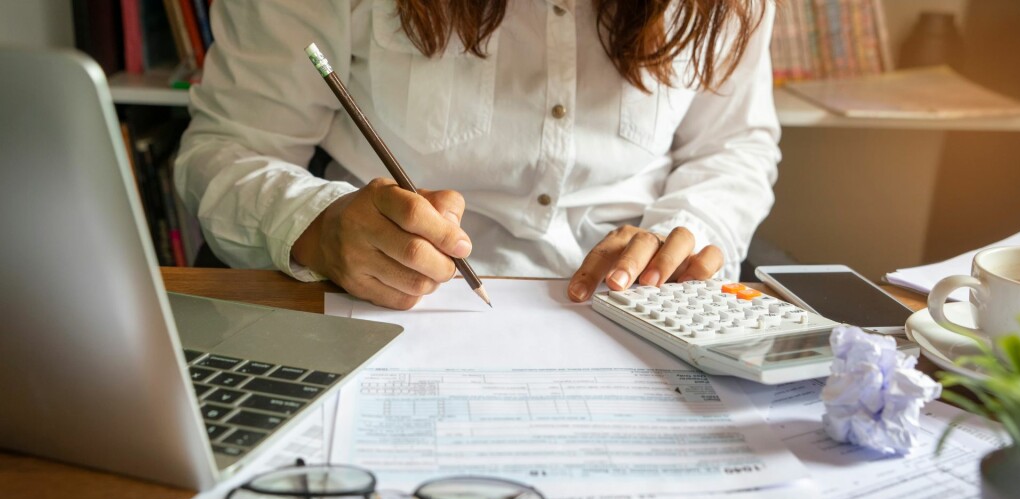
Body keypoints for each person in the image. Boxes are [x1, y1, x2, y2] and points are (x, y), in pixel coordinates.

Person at [175, 0, 781, 310]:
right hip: (386, 311)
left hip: (639, 313)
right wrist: (318, 226)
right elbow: (228, 148)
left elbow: (734, 145)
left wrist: (685, 234)